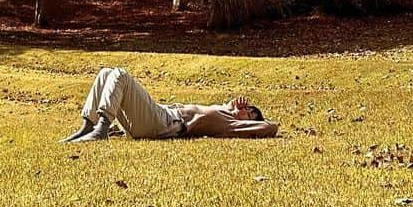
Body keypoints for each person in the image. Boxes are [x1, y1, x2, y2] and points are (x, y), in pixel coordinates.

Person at [62, 66, 279, 142]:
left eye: (250, 114)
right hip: (161, 114)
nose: (246, 111)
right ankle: (87, 127)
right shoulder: (225, 112)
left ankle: (101, 128)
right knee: (105, 73)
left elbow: (270, 127)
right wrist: (231, 106)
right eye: (248, 109)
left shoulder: (231, 125)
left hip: (165, 123)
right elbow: (221, 110)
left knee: (120, 74)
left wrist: (240, 116)